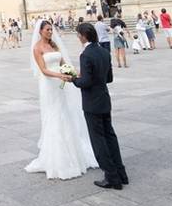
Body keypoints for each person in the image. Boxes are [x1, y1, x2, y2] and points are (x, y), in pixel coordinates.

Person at [23, 20, 99, 180]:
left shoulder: (54, 45)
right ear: (40, 31)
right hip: (49, 84)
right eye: (48, 29)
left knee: (65, 113)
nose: (50, 32)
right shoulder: (37, 48)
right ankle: (57, 158)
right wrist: (59, 75)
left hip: (61, 81)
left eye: (51, 29)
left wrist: (75, 73)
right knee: (54, 115)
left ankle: (71, 152)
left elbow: (64, 63)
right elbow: (43, 70)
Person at [69, 22, 127, 190]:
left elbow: (85, 82)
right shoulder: (103, 51)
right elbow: (109, 78)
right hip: (104, 99)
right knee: (110, 136)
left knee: (98, 140)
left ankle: (111, 177)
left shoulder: (85, 55)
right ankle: (121, 173)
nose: (78, 37)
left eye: (78, 35)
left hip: (92, 103)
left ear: (83, 36)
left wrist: (73, 79)